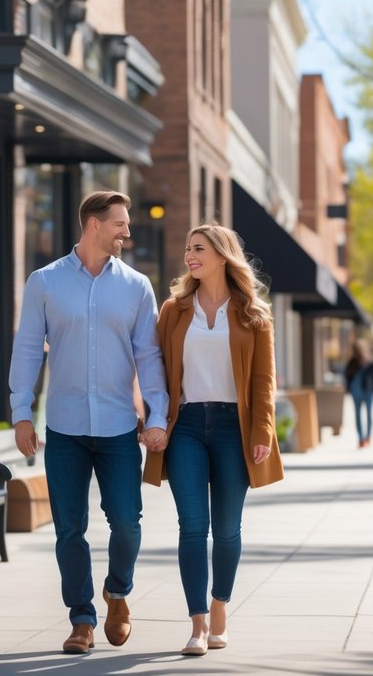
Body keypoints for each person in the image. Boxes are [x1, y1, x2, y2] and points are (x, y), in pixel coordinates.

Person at [9, 191, 170, 655]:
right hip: (65, 427)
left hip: (120, 426)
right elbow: (26, 350)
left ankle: (117, 591)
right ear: (93, 225)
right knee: (69, 529)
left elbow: (149, 357)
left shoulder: (137, 286)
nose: (127, 232)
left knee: (128, 522)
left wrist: (156, 415)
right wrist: (22, 413)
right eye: (120, 224)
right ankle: (81, 618)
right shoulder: (44, 282)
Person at [142, 224, 284, 657]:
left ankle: (220, 607)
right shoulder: (173, 309)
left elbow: (263, 380)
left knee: (226, 530)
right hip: (185, 424)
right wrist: (154, 420)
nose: (189, 255)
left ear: (223, 256)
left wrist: (262, 430)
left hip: (232, 428)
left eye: (198, 248)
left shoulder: (252, 313)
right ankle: (197, 623)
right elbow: (157, 371)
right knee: (192, 527)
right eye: (187, 248)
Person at [345, 338, 373, 448]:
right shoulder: (353, 362)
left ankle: (364, 438)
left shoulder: (368, 362)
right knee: (363, 414)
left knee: (364, 414)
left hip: (365, 389)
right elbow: (348, 376)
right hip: (360, 390)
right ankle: (363, 438)